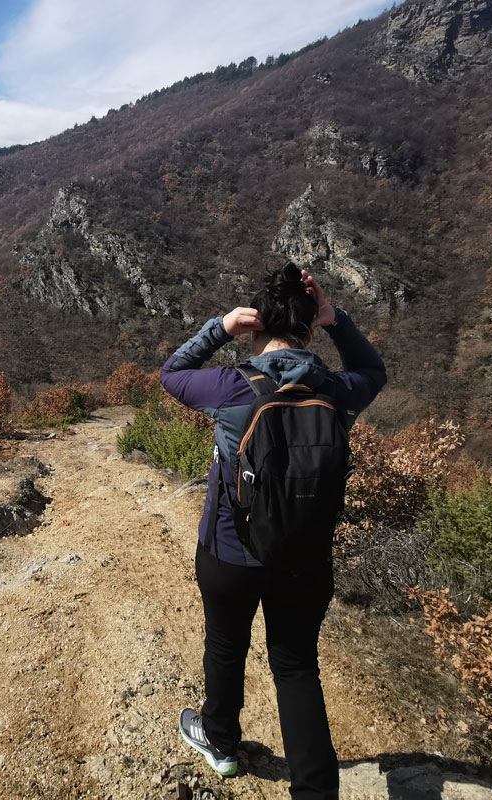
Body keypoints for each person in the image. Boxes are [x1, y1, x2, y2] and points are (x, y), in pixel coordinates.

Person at [160, 262, 386, 799]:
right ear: (309, 328)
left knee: (226, 643)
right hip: (306, 558)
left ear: (256, 324)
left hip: (230, 554)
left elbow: (172, 372)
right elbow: (374, 371)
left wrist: (219, 327)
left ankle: (219, 741)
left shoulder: (231, 387)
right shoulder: (335, 389)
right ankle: (314, 791)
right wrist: (337, 320)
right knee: (296, 666)